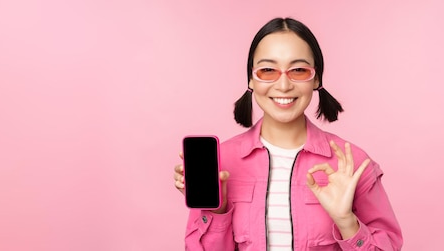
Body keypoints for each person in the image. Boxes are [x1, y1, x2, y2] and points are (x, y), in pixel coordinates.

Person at [173, 17, 403, 250]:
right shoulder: (221, 162)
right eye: (267, 70)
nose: (283, 85)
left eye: (299, 70)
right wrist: (216, 211)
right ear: (251, 79)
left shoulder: (351, 162)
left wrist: (347, 222)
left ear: (317, 79)